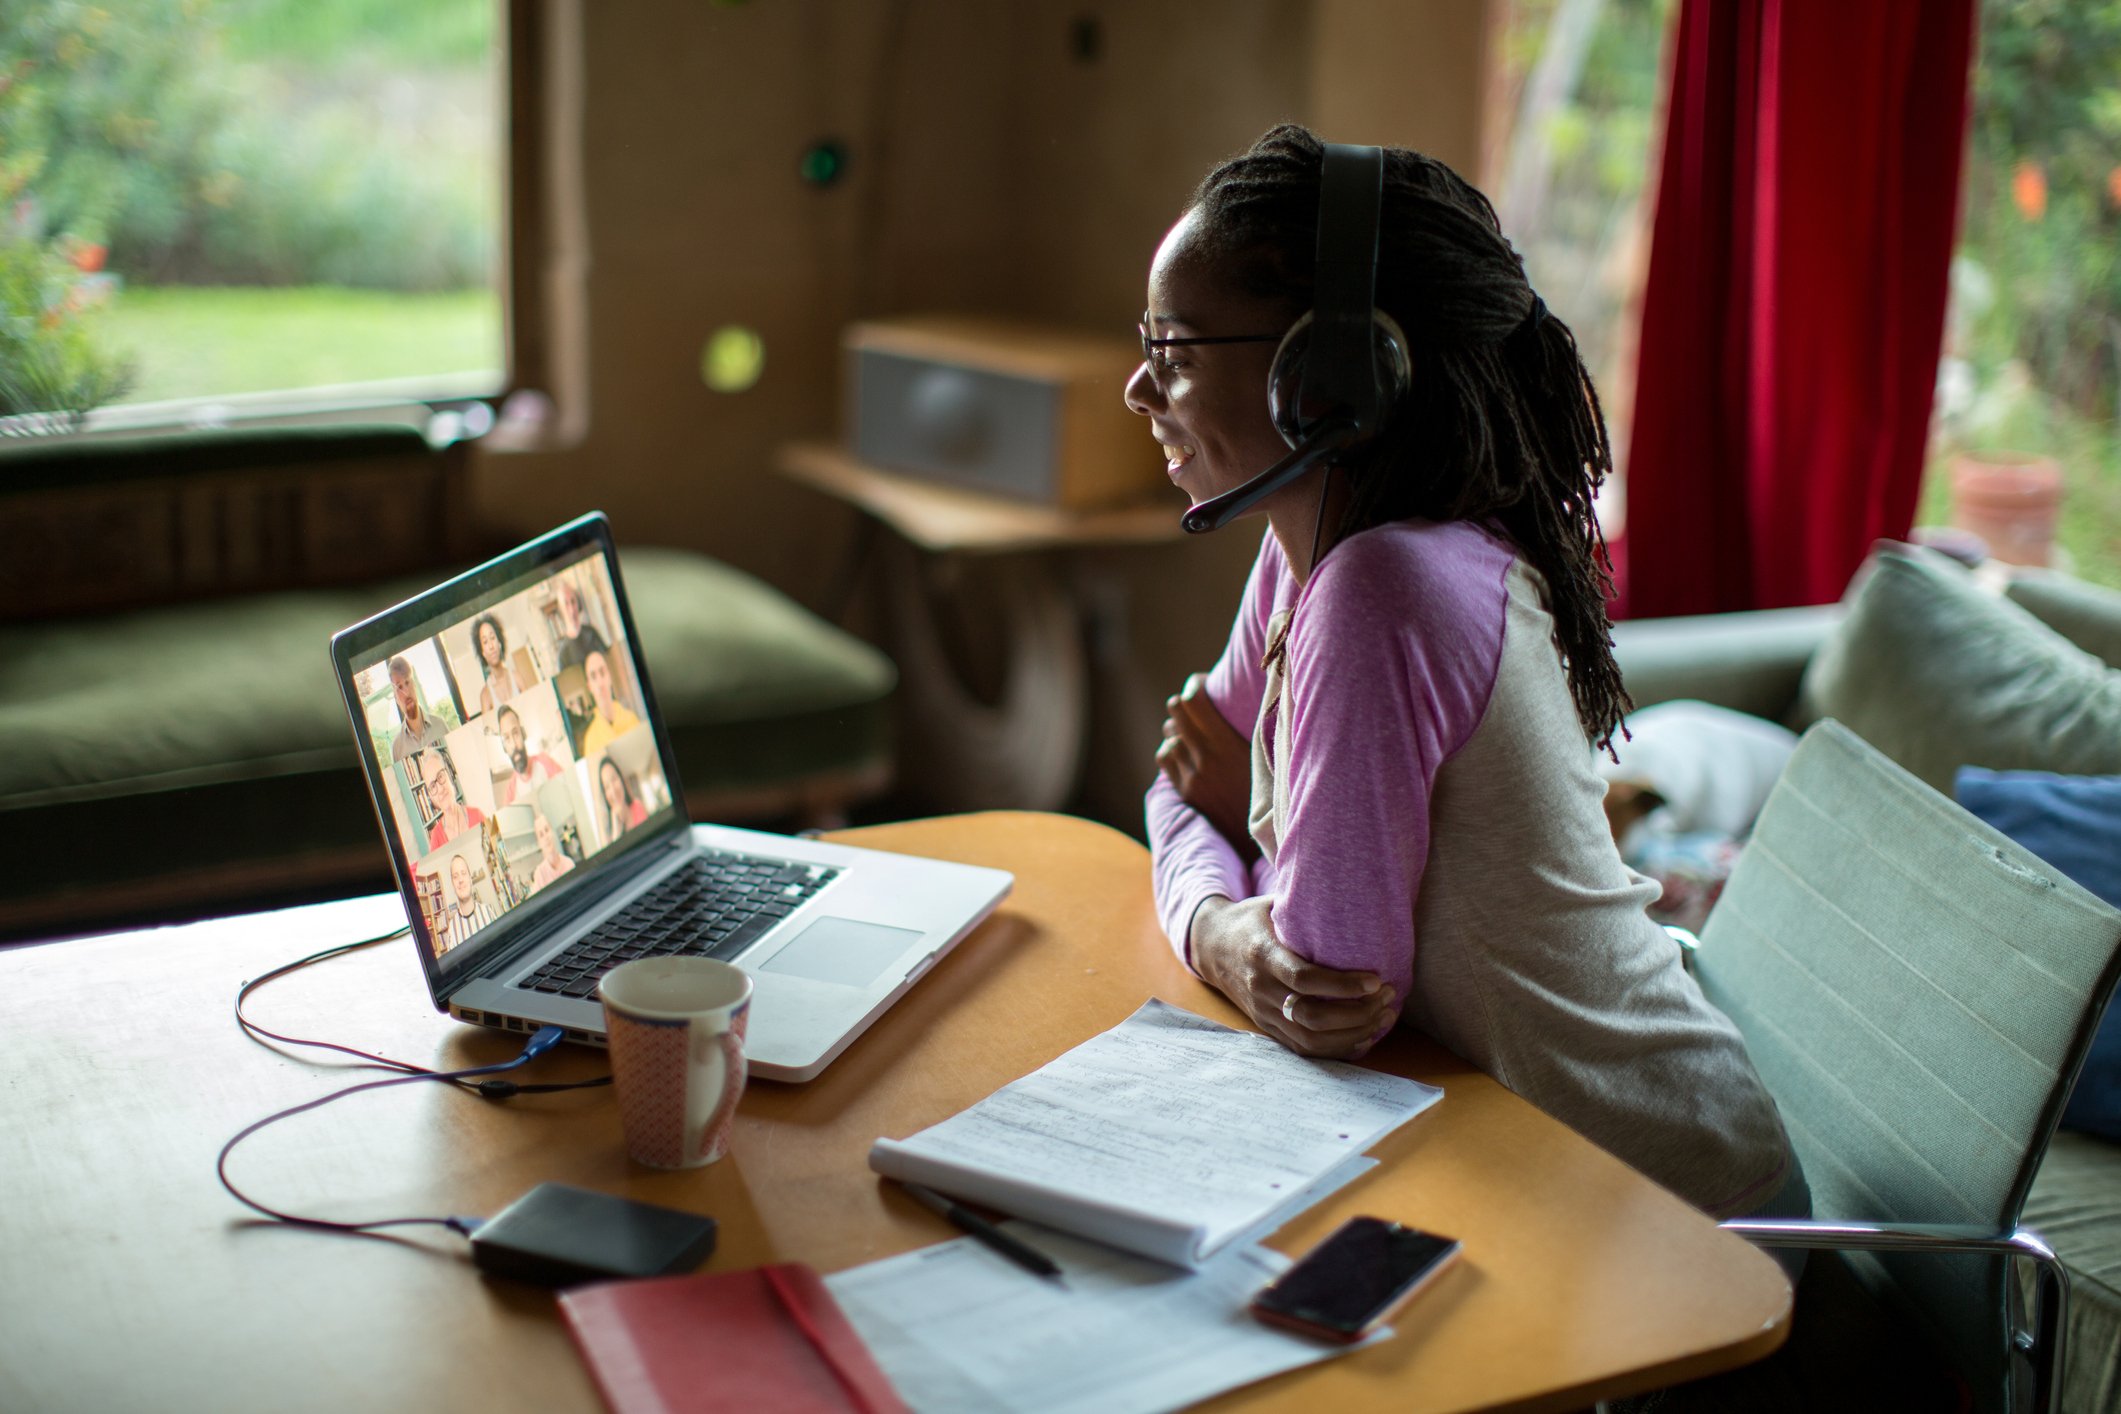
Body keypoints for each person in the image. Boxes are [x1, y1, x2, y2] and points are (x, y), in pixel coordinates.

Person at [1134, 126, 1801, 1230]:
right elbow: (1173, 779)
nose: (1137, 389)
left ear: (1326, 377)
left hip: (1674, 1207)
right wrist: (1223, 909)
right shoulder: (1310, 548)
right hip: (1505, 1143)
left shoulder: (1380, 586)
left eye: (1176, 352)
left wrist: (1220, 899)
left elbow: (1327, 985)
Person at [493, 705, 564, 806]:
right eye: (507, 738)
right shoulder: (510, 792)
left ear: (523, 734)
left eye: (516, 733)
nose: (513, 745)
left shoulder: (544, 761)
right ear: (504, 747)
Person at [418, 747, 485, 851]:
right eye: (432, 786)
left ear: (449, 774)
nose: (440, 789)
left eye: (440, 776)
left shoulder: (477, 815)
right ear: (431, 797)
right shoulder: (436, 838)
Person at [578, 649, 642, 756]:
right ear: (589, 687)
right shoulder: (590, 740)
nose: (600, 683)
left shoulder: (632, 719)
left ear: (609, 677)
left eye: (602, 672)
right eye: (593, 676)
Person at [387, 656, 449, 763]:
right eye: (399, 687)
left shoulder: (440, 726)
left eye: (407, 682)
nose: (406, 692)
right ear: (396, 698)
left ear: (414, 685)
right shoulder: (397, 749)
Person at [434, 851, 496, 953]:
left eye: (463, 873)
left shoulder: (488, 911)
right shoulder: (452, 930)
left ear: (470, 879)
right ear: (453, 885)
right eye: (455, 876)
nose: (460, 880)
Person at [554, 577, 610, 673]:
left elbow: (608, 661)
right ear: (561, 610)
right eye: (566, 604)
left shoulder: (592, 632)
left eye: (573, 601)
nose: (571, 609)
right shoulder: (563, 655)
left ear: (578, 602)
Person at [471, 613, 516, 715]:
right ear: (482, 652)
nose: (491, 646)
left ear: (499, 643)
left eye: (492, 637)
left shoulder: (516, 677)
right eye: (485, 642)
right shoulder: (485, 695)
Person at [597, 756, 648, 844]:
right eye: (607, 787)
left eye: (614, 779)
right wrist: (616, 834)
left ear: (621, 779)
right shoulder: (610, 836)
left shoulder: (638, 806)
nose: (613, 791)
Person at [527, 810, 575, 893]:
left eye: (547, 830)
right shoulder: (540, 874)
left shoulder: (569, 864)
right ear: (539, 843)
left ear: (552, 831)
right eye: (541, 835)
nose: (546, 837)